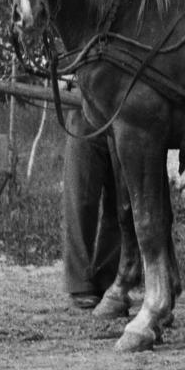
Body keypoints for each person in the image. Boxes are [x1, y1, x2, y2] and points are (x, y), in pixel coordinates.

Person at [60, 126, 120, 310]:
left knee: (123, 203)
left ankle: (107, 277)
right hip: (86, 116)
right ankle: (80, 282)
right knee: (80, 198)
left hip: (125, 118)